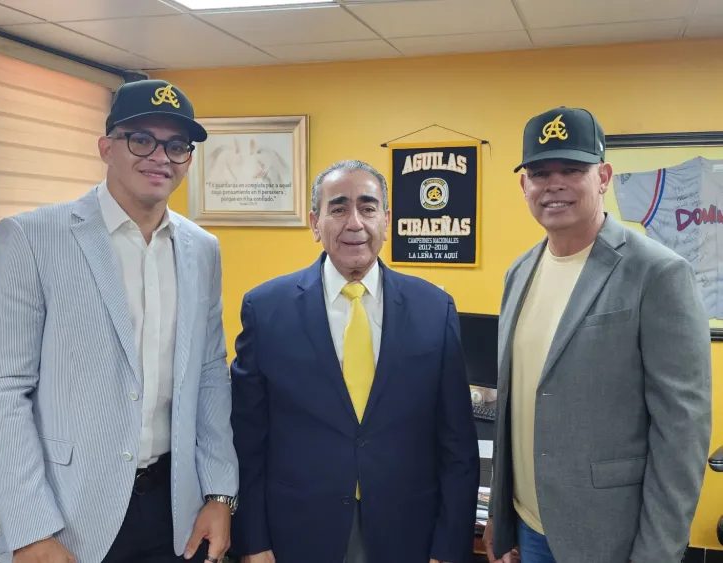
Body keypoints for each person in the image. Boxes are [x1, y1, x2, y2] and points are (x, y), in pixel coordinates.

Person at [0, 79, 238, 563]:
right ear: (106, 147)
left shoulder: (203, 249)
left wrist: (219, 493)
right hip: (65, 513)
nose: (160, 157)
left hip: (173, 510)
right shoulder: (31, 238)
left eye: (177, 146)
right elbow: (1, 389)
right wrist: (31, 529)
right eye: (142, 139)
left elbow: (209, 374)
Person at [483, 106, 711, 563]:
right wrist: (500, 517)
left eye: (572, 169)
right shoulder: (518, 273)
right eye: (540, 173)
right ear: (524, 185)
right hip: (528, 528)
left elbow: (681, 432)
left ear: (603, 177)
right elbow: (516, 405)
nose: (554, 184)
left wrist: (657, 554)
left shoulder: (658, 273)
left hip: (610, 538)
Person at [230, 160, 479, 563]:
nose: (355, 223)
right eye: (338, 208)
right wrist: (253, 542)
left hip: (408, 534)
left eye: (367, 207)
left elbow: (457, 445)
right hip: (297, 533)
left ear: (386, 220)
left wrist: (449, 548)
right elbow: (247, 438)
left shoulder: (435, 310)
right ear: (315, 223)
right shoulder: (266, 309)